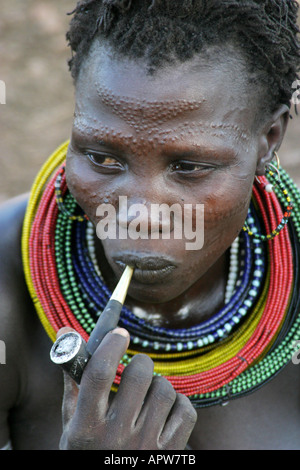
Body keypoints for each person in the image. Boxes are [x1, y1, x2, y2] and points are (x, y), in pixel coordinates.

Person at [1, 0, 300, 451]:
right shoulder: (7, 287)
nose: (139, 215)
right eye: (102, 158)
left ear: (269, 139)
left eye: (190, 167)